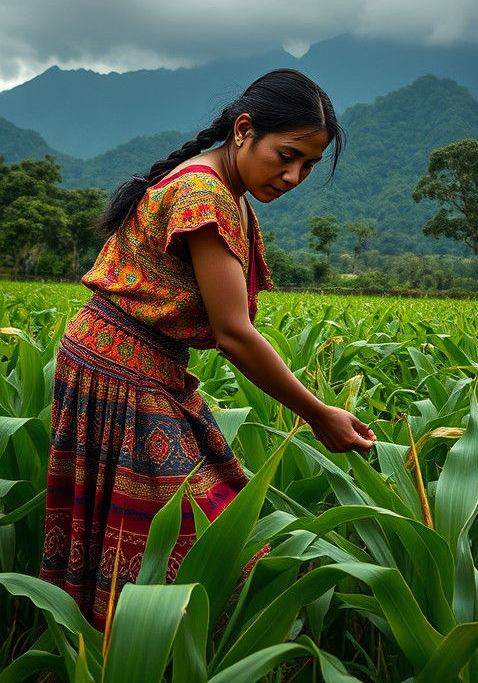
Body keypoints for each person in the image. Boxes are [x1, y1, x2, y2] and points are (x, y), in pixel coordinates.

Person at [39, 68, 375, 629]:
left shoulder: (228, 192)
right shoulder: (204, 194)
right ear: (243, 130)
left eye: (309, 166)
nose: (294, 176)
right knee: (201, 544)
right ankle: (112, 654)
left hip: (137, 367)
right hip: (118, 370)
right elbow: (233, 332)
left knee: (163, 539)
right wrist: (318, 415)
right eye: (286, 155)